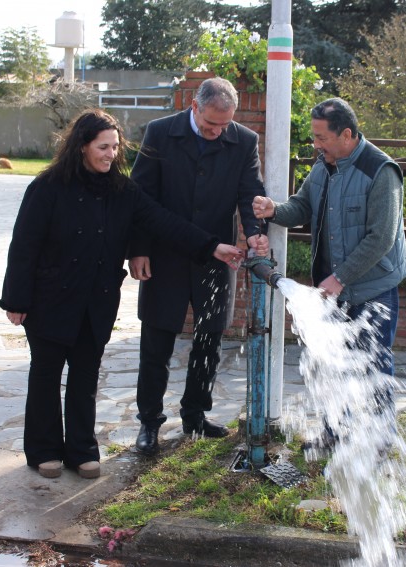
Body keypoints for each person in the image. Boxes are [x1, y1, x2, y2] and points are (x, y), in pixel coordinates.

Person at [0, 108, 245, 479]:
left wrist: (213, 247)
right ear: (82, 147)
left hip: (96, 303)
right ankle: (44, 450)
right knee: (46, 376)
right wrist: (16, 300)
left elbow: (166, 222)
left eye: (115, 147)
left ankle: (81, 451)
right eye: (103, 147)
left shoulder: (123, 190)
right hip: (50, 300)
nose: (110, 155)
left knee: (85, 377)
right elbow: (24, 247)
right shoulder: (47, 188)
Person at [128, 77, 268, 457]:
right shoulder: (159, 132)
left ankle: (195, 415)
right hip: (163, 255)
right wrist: (138, 250)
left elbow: (249, 193)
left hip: (217, 256)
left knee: (209, 340)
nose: (217, 132)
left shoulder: (244, 140)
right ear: (194, 105)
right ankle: (149, 423)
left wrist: (255, 233)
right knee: (156, 344)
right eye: (210, 125)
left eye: (224, 125)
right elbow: (140, 198)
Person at [252, 96, 406, 409]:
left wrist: (340, 277)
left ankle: (377, 442)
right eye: (314, 137)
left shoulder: (381, 171)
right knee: (332, 366)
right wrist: (274, 210)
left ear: (347, 135)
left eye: (321, 138)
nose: (316, 144)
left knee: (372, 369)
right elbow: (302, 206)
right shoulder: (323, 167)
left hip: (372, 291)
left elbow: (381, 238)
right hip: (333, 291)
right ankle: (333, 432)